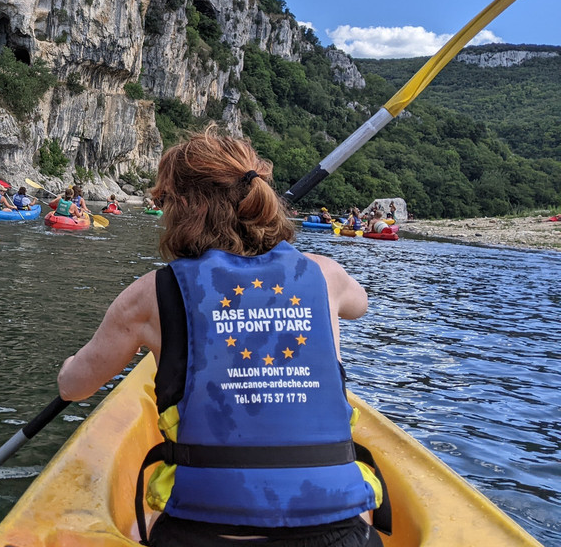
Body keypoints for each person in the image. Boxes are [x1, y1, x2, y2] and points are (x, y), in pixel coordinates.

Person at [56, 127, 382, 547]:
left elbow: (73, 386)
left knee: (144, 527)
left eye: (163, 201)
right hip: (338, 535)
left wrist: (69, 365)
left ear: (183, 207)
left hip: (204, 535)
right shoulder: (326, 275)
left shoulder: (150, 294)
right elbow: (361, 305)